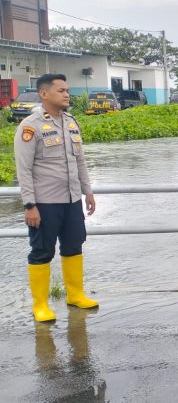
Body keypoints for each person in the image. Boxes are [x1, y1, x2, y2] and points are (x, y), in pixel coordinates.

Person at [14, 74, 98, 322]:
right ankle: (40, 305)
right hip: (44, 202)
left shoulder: (71, 122)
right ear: (44, 94)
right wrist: (30, 205)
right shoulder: (30, 126)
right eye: (61, 90)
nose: (66, 94)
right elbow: (23, 170)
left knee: (74, 246)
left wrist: (88, 191)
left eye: (67, 90)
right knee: (41, 251)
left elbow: (79, 160)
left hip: (72, 200)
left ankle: (75, 295)